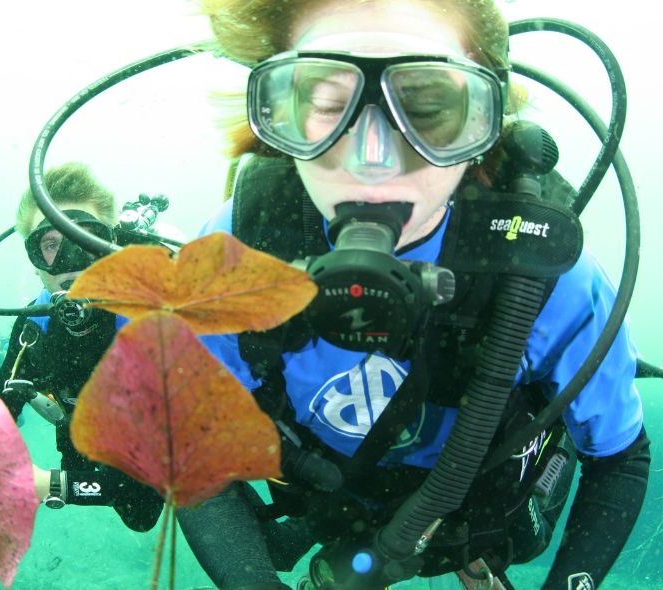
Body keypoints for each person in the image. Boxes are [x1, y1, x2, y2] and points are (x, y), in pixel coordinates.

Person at [175, 1, 650, 589]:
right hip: (335, 504)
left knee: (512, 536)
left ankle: (474, 563)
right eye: (327, 105)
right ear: (279, 117)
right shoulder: (230, 261)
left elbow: (620, 457)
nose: (373, 160)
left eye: (426, 108)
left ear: (485, 123)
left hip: (476, 513)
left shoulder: (544, 271)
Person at [0, 162, 163, 531]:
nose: (69, 261)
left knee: (139, 517)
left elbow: (150, 493)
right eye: (51, 243)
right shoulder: (32, 329)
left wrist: (51, 486)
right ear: (35, 261)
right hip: (81, 438)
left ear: (109, 245)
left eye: (83, 237)